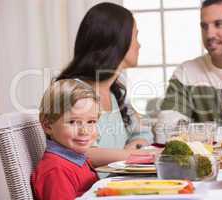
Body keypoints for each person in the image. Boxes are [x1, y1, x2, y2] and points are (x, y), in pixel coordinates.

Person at [56, 2, 154, 167]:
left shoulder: (115, 91)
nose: (139, 45)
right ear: (117, 41)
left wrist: (133, 147)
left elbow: (142, 132)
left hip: (116, 183)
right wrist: (130, 155)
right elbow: (82, 154)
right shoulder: (74, 93)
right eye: (135, 36)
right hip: (90, 190)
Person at [31, 79, 100, 199]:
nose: (84, 131)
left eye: (91, 122)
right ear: (48, 126)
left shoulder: (77, 158)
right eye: (72, 122)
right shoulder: (56, 171)